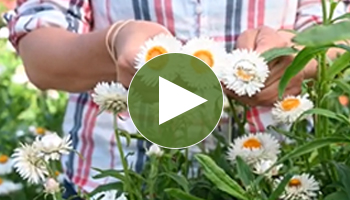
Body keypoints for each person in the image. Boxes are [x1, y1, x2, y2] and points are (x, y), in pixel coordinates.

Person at [3, 0, 348, 199]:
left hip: (273, 177)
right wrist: (113, 42)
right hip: (116, 182)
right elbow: (39, 52)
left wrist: (298, 56)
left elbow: (338, 31)